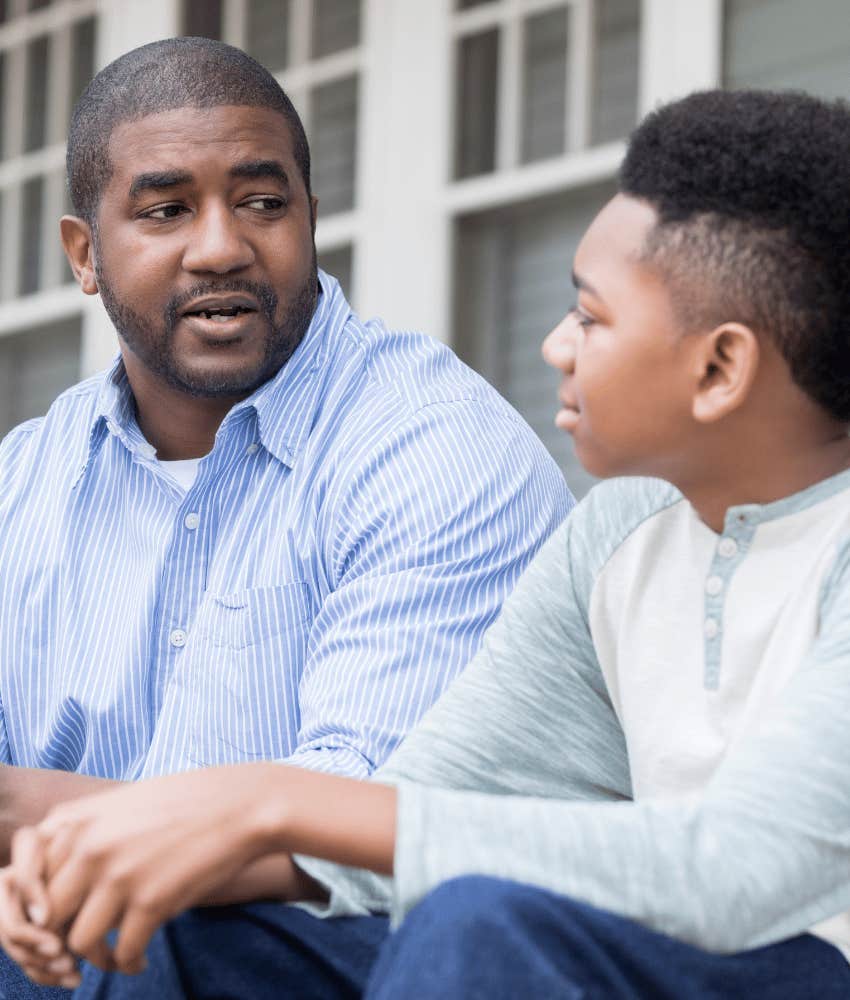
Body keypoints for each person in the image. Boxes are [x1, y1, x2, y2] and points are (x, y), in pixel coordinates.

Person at [5, 86, 850, 998]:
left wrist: (262, 802)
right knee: (183, 931)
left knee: (480, 921)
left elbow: (732, 867)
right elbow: (418, 817)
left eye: (592, 318)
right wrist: (129, 847)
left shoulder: (429, 433)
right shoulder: (619, 532)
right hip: (639, 959)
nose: (554, 347)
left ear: (720, 367)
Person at [0, 36, 570, 867]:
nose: (222, 248)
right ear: (85, 254)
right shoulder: (25, 482)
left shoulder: (433, 448)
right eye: (166, 211)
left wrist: (40, 818)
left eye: (263, 202)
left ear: (311, 214)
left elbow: (362, 837)